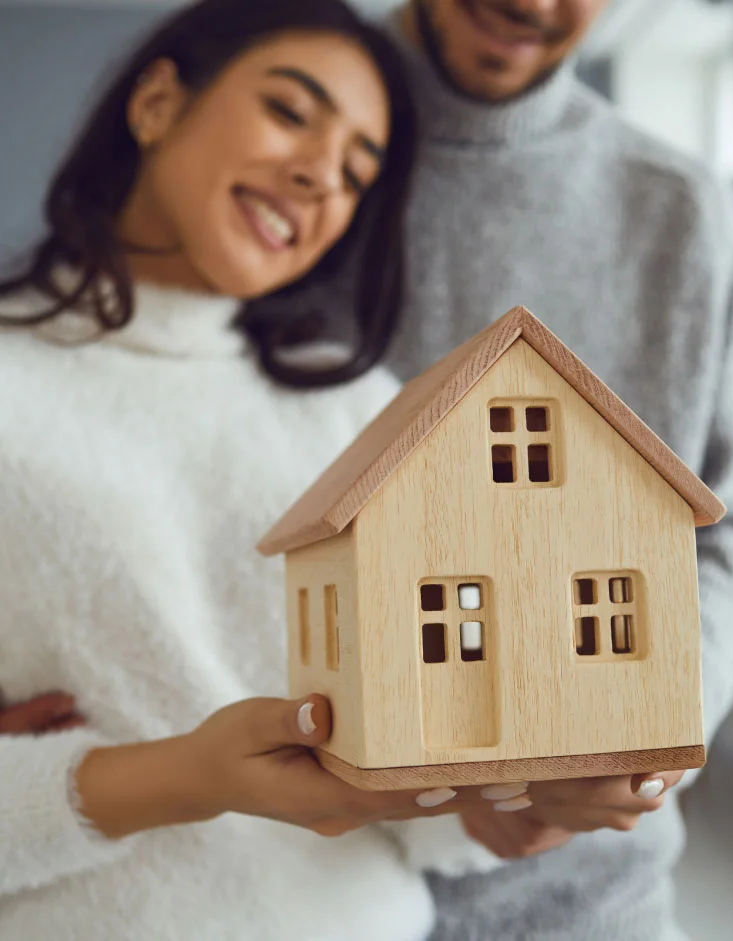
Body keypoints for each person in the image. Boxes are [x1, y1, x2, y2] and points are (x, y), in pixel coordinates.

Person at [0, 1, 518, 937]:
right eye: (290, 112)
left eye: (359, 173)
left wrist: (517, 806)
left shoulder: (362, 415)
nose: (322, 174)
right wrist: (176, 777)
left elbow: (445, 781)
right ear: (157, 101)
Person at [347, 2, 733, 940]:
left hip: (591, 902)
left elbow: (727, 529)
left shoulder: (681, 211)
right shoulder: (288, 155)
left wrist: (642, 750)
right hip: (298, 877)